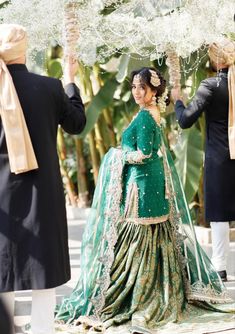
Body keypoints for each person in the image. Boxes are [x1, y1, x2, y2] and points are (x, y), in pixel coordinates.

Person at [56, 67, 234, 334]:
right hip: (149, 184)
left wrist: (114, 155)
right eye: (134, 87)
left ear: (153, 92)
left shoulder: (146, 117)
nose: (137, 92)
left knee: (136, 238)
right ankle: (152, 293)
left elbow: (144, 154)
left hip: (142, 187)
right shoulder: (152, 113)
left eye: (143, 88)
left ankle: (136, 298)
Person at [0, 24, 86, 334]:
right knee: (43, 274)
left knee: (2, 271)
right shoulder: (50, 87)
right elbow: (76, 123)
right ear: (25, 51)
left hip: (2, 199)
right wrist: (71, 80)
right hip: (42, 194)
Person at [171, 38, 235, 283]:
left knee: (219, 214)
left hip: (219, 158)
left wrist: (178, 100)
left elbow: (185, 120)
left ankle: (220, 267)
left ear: (215, 58)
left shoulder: (209, 86)